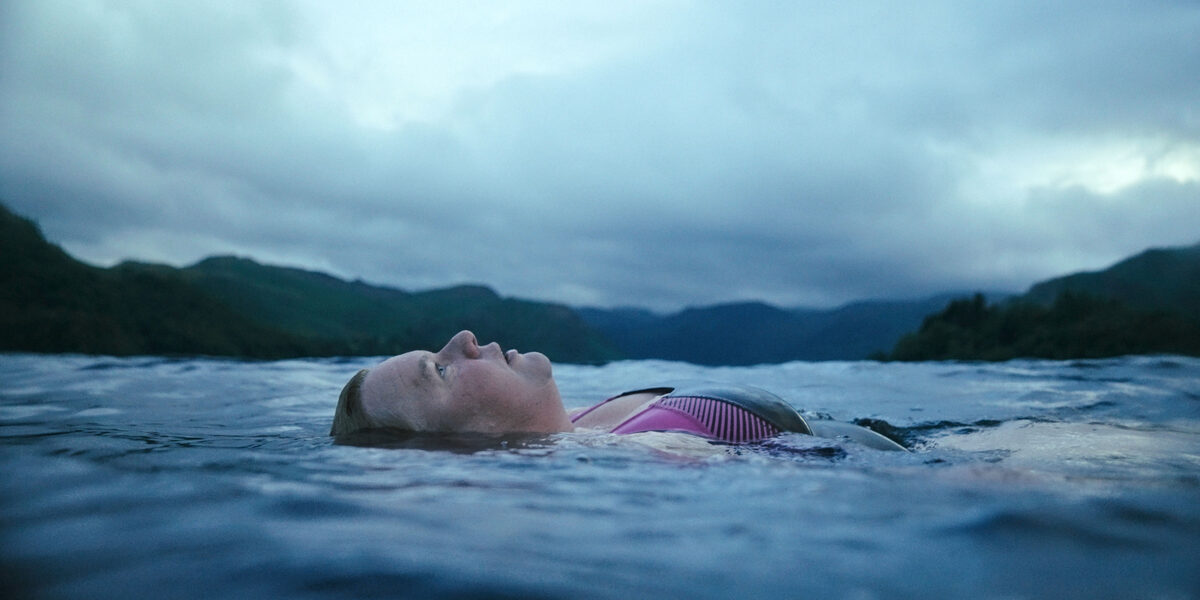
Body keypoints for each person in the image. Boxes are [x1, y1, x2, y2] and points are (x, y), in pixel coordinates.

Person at [331, 330, 906, 451]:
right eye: (440, 370)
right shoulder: (644, 456)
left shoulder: (585, 423)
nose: (463, 339)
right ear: (473, 442)